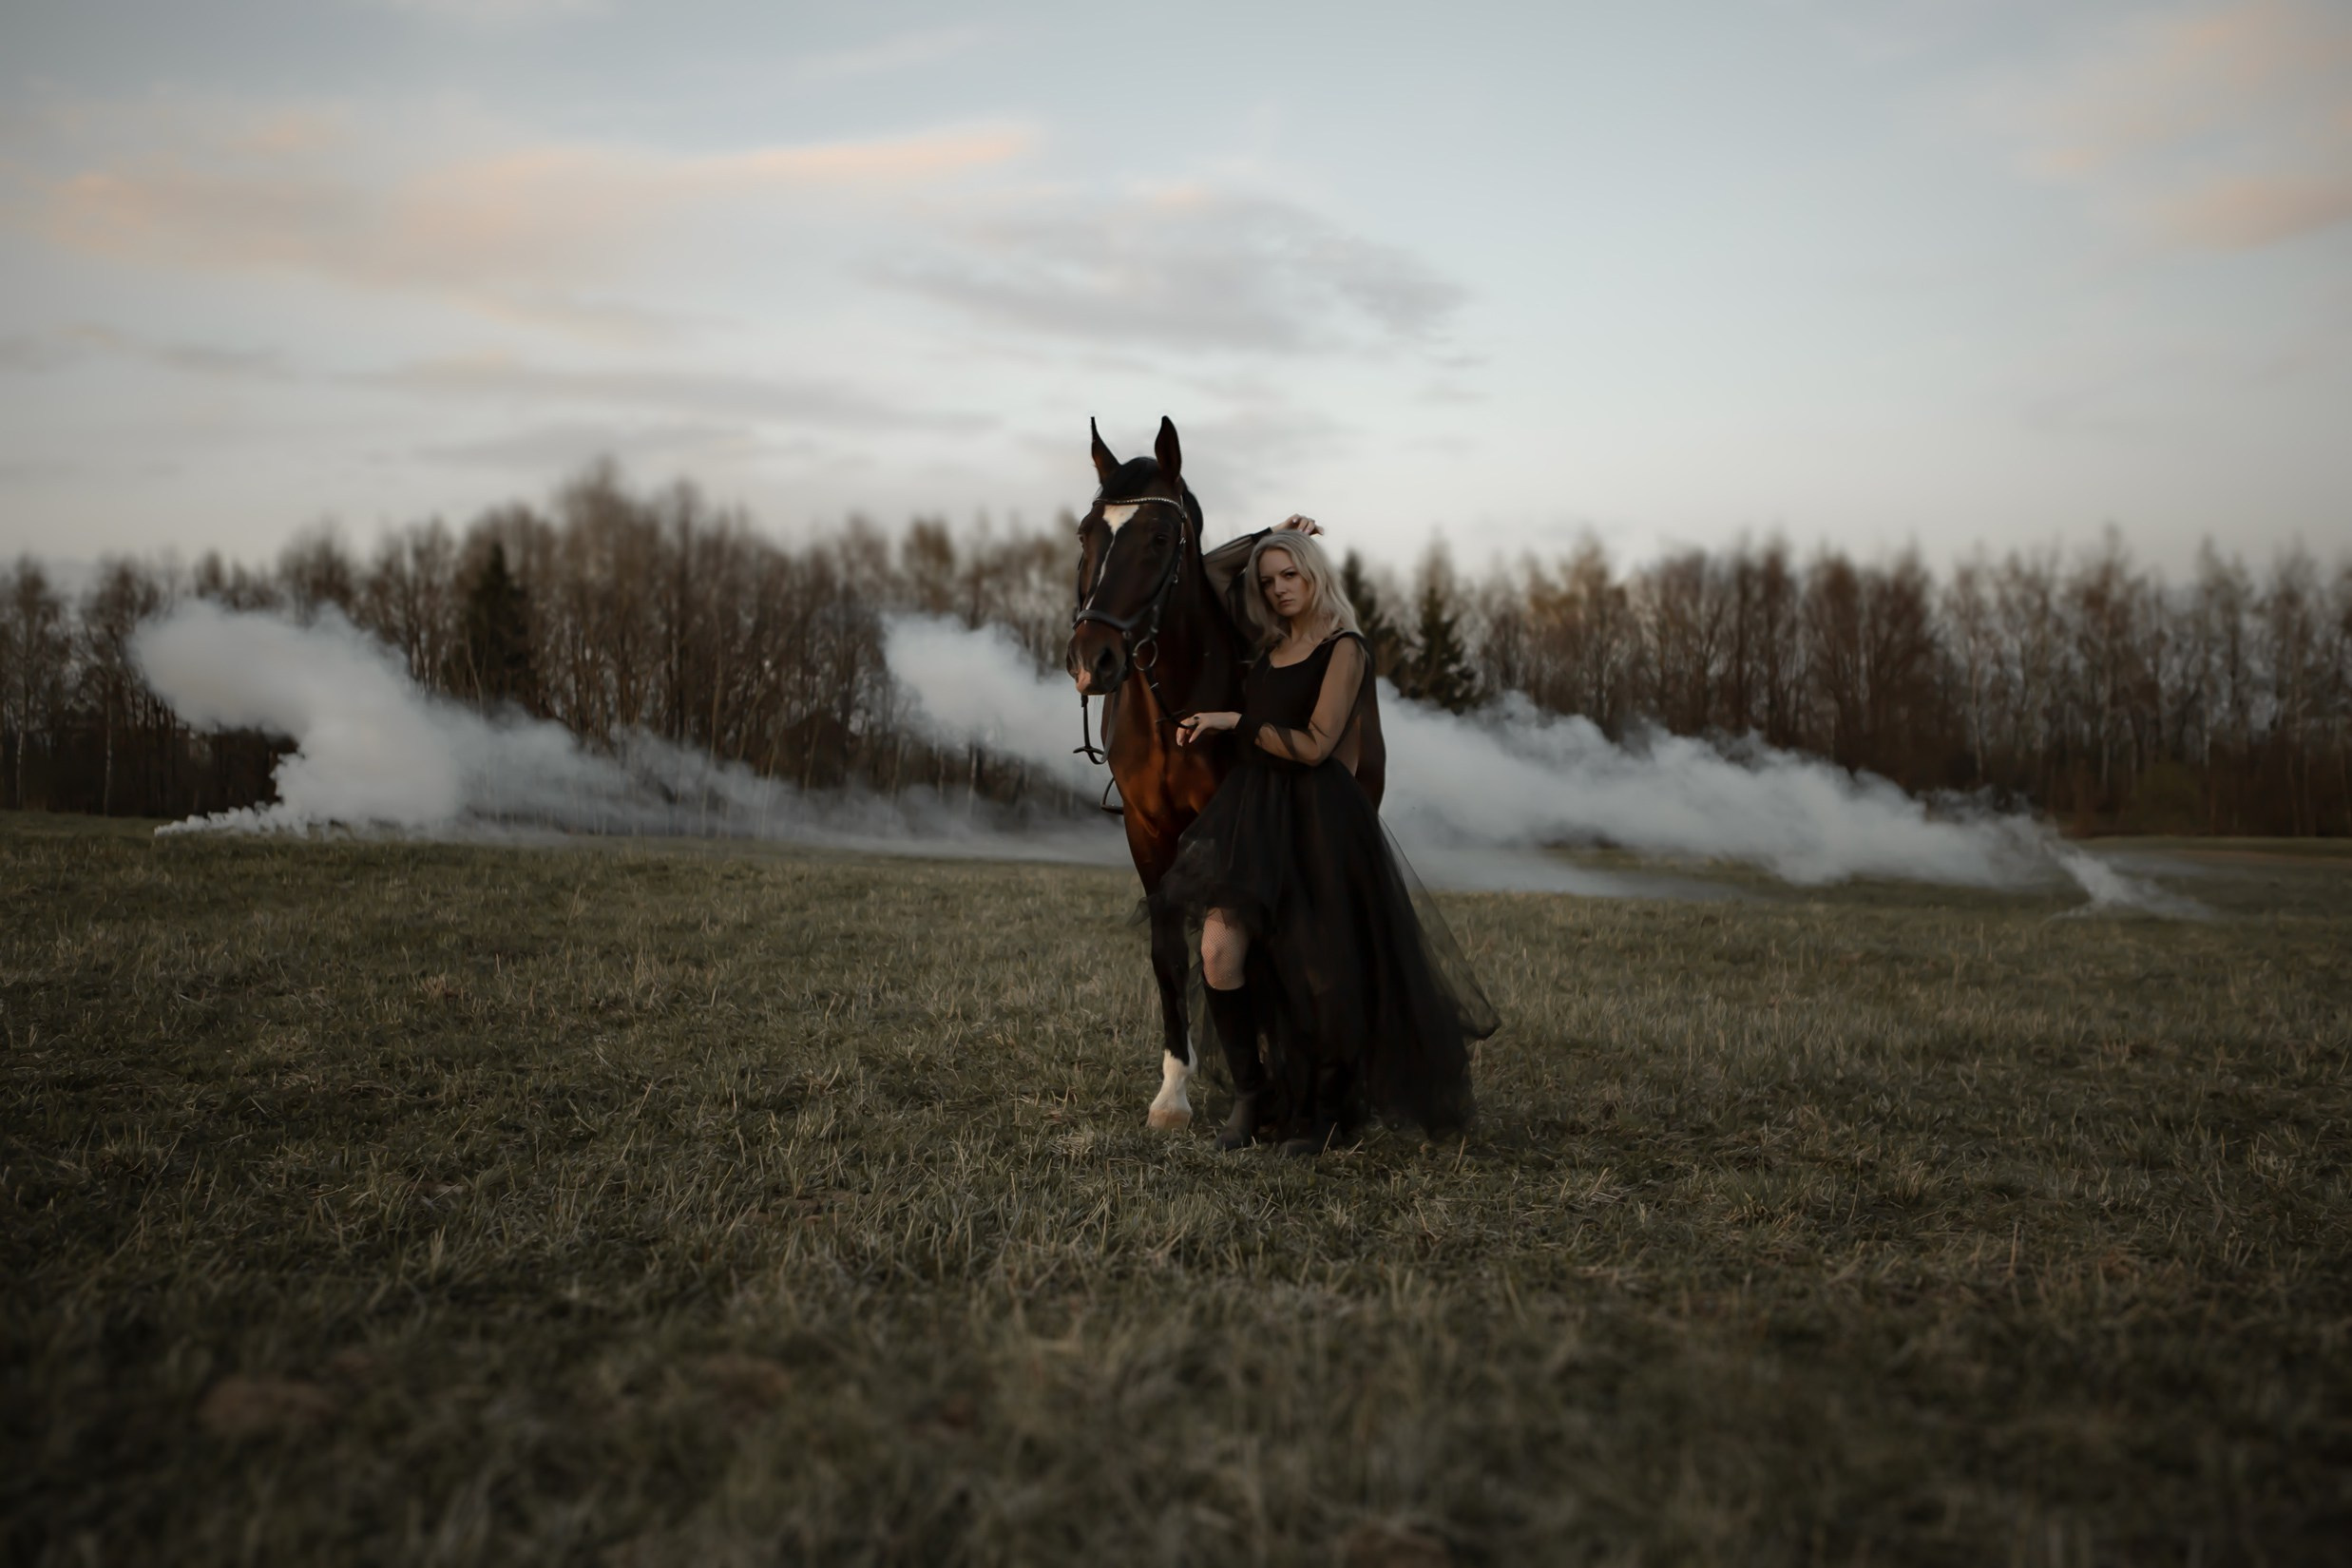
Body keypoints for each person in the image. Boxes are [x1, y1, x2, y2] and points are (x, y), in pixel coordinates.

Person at [1163, 528, 1498, 1157]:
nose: (1278, 589)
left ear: (1314, 574)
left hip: (1318, 815)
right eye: (1267, 581)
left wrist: (1235, 721)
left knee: (1321, 971)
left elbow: (1316, 744)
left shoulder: (1346, 648)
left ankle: (1323, 1113)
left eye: (1289, 574)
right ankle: (1252, 1095)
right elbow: (1203, 572)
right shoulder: (1264, 647)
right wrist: (1263, 538)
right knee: (1216, 950)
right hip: (1253, 812)